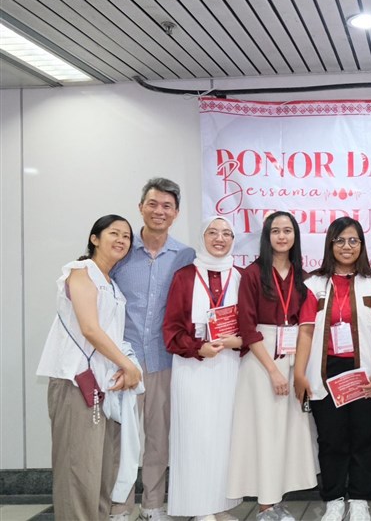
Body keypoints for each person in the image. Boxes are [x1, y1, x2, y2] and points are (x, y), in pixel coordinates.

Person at [37, 215, 143, 520]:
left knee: (99, 471)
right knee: (78, 469)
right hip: (75, 383)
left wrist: (124, 368)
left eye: (126, 236)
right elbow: (90, 328)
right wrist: (127, 366)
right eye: (114, 233)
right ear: (95, 239)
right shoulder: (80, 272)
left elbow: (111, 336)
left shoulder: (111, 284)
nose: (121, 240)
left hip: (102, 385)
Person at [294, 217, 371, 521]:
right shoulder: (313, 284)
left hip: (365, 371)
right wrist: (299, 373)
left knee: (364, 437)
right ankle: (334, 499)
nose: (346, 246)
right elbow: (306, 331)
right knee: (331, 438)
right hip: (324, 371)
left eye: (353, 240)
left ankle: (360, 498)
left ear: (361, 245)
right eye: (340, 240)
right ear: (330, 244)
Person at [111, 178, 195, 520]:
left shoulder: (185, 256)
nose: (159, 211)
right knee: (121, 439)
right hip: (122, 361)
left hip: (163, 359)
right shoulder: (120, 251)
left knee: (158, 437)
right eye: (153, 204)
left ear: (176, 213)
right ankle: (120, 506)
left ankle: (153, 505)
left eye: (167, 206)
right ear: (141, 207)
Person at [227, 211, 317, 521]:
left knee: (287, 433)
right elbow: (247, 327)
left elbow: (307, 324)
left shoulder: (302, 276)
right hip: (262, 359)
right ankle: (265, 506)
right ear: (266, 237)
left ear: (295, 236)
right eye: (275, 231)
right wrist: (274, 371)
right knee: (265, 431)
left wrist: (298, 370)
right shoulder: (253, 274)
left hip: (294, 355)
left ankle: (276, 500)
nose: (281, 236)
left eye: (287, 230)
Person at [162, 217, 243, 520]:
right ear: (202, 236)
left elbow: (250, 324)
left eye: (226, 234)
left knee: (224, 437)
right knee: (194, 434)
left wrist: (237, 341)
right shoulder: (184, 276)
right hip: (192, 366)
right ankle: (198, 509)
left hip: (230, 365)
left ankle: (219, 505)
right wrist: (198, 348)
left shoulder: (241, 276)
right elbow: (171, 329)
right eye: (213, 233)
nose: (220, 239)